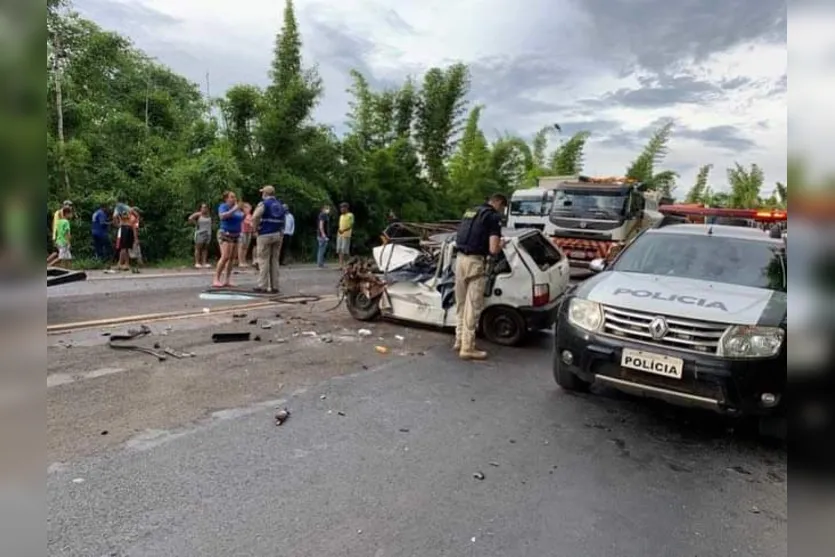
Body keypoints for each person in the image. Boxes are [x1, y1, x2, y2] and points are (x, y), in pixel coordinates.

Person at [453, 193, 508, 360]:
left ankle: (459, 340)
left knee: (461, 304)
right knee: (473, 306)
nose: (502, 211)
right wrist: (501, 244)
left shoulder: (471, 212)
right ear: (498, 203)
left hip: (459, 260)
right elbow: (493, 249)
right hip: (475, 263)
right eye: (503, 208)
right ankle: (467, 348)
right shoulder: (493, 217)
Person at [251, 185, 285, 293]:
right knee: (274, 260)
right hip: (278, 234)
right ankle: (275, 286)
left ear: (265, 194)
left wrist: (255, 229)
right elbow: (283, 220)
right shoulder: (280, 205)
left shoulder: (264, 204)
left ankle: (263, 286)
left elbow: (255, 216)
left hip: (265, 234)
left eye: (263, 193)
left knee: (263, 260)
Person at [213, 191, 245, 288]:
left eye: (234, 197)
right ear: (226, 198)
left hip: (236, 234)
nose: (234, 199)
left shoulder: (237, 208)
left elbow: (241, 218)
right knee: (225, 256)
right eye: (231, 197)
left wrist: (245, 212)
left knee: (232, 258)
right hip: (225, 233)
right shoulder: (223, 206)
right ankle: (216, 279)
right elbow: (222, 216)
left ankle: (227, 280)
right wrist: (235, 209)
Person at [188, 203, 213, 268]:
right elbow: (190, 218)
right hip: (200, 233)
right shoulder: (199, 214)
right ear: (201, 208)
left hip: (208, 233)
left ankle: (204, 262)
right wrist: (195, 224)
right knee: (198, 248)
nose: (204, 209)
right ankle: (197, 262)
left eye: (206, 207)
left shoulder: (209, 214)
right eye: (203, 207)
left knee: (205, 248)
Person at [336, 202, 354, 268]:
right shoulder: (341, 216)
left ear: (346, 208)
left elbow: (351, 225)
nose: (341, 209)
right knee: (339, 249)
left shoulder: (350, 215)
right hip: (340, 234)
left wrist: (344, 230)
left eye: (343, 208)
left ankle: (349, 262)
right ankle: (341, 264)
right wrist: (339, 230)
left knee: (345, 250)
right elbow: (340, 225)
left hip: (346, 234)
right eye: (340, 208)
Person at [238, 203, 254, 268]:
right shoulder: (242, 215)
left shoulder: (250, 215)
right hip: (242, 232)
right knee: (241, 246)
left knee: (246, 247)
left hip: (249, 232)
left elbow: (252, 222)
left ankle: (244, 260)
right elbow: (247, 222)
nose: (249, 209)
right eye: (247, 207)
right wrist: (251, 223)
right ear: (243, 208)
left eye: (249, 208)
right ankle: (240, 261)